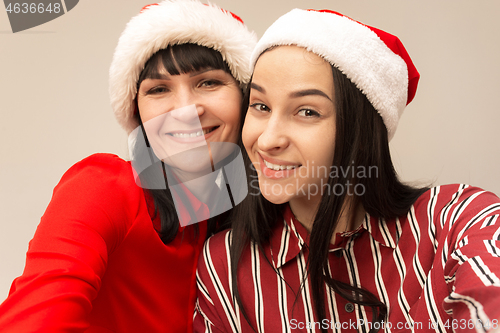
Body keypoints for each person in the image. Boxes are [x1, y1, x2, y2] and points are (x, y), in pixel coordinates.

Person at [194, 8, 500, 333]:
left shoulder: (458, 220)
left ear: (360, 132)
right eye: (261, 106)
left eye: (307, 111)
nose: (267, 140)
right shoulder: (224, 265)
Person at [0, 0, 255, 332]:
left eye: (208, 83)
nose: (185, 109)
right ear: (138, 115)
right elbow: (32, 324)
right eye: (158, 90)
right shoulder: (105, 186)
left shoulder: (258, 225)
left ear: (246, 98)